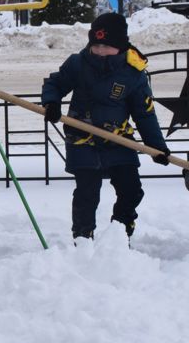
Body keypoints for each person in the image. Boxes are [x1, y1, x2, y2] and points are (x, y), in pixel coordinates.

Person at [40, 12, 171, 241]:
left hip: (118, 140)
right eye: (96, 45)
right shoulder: (78, 63)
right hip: (82, 139)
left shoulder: (133, 73)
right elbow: (55, 83)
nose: (100, 50)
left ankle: (119, 233)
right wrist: (51, 102)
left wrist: (156, 147)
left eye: (106, 46)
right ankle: (82, 237)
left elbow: (145, 114)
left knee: (131, 190)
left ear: (120, 46)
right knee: (86, 193)